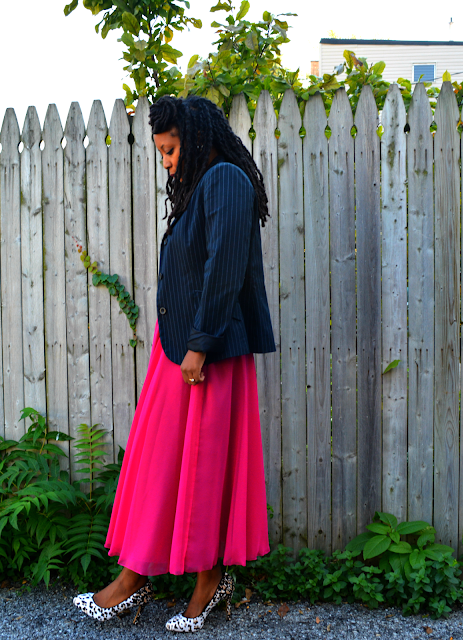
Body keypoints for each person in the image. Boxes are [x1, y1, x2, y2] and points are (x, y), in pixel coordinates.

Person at [73, 95, 276, 633]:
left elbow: (225, 268)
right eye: (161, 152)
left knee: (203, 466)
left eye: (169, 150)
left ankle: (206, 583)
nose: (165, 161)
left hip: (206, 353)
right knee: (166, 465)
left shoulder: (227, 180)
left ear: (195, 140)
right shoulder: (199, 187)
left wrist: (201, 342)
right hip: (182, 348)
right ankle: (135, 578)